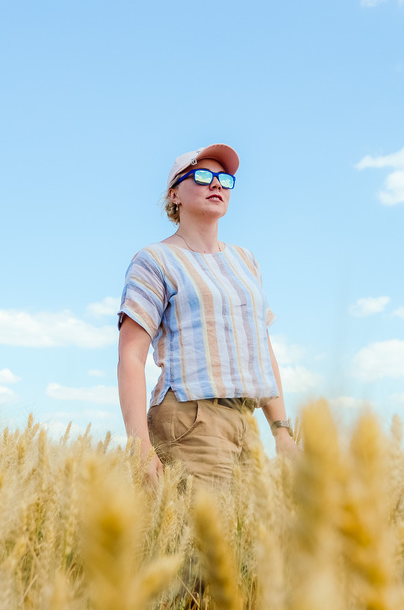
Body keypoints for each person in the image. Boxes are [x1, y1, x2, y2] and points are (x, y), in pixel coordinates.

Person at [116, 143, 299, 484]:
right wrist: (139, 443)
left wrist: (281, 431)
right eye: (202, 176)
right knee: (201, 535)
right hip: (190, 419)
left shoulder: (246, 261)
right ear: (174, 195)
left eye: (224, 178)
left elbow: (262, 348)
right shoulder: (154, 259)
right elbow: (130, 356)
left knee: (247, 535)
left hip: (247, 422)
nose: (216, 184)